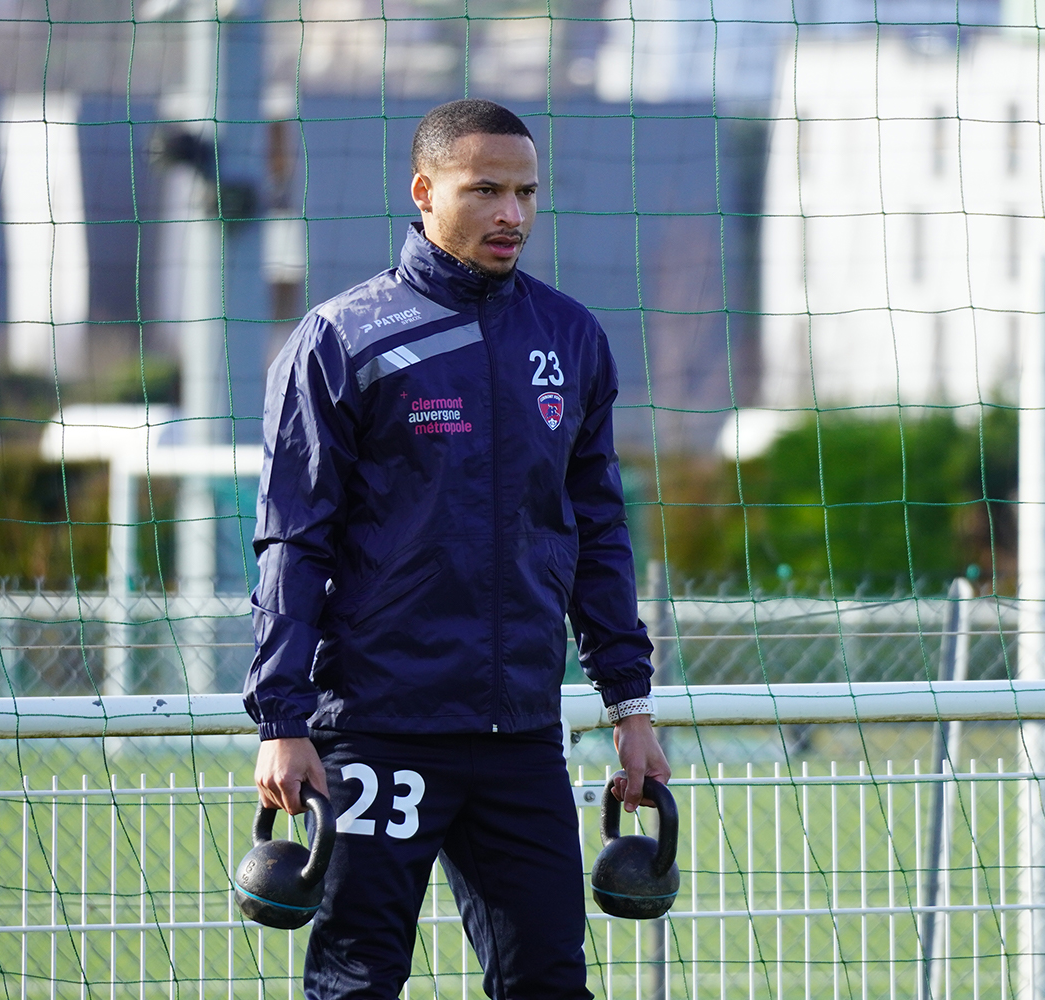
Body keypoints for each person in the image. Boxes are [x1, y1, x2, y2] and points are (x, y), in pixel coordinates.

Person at [244, 98, 671, 999]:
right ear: (425, 191)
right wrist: (282, 721)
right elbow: (294, 540)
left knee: (550, 981)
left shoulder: (570, 338)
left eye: (525, 192)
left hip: (520, 735)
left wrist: (630, 704)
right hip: (378, 727)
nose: (511, 213)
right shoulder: (340, 340)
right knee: (358, 980)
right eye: (486, 190)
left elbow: (598, 532)